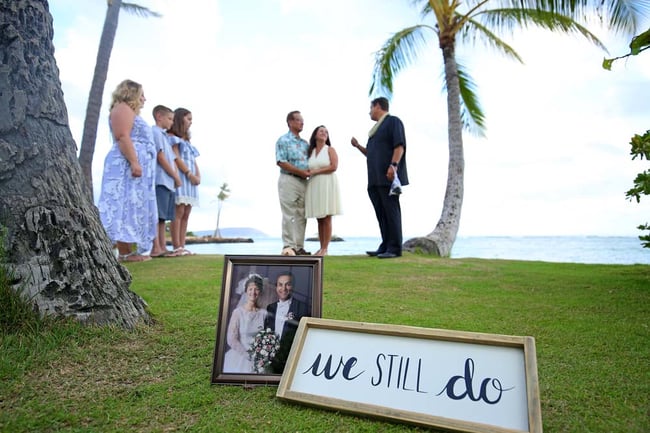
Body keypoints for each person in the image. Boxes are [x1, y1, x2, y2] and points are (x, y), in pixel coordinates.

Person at [97, 79, 157, 263]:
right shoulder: (122, 108)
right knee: (123, 205)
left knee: (133, 206)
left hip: (135, 166)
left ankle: (128, 251)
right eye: (141, 95)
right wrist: (134, 162)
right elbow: (122, 135)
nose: (144, 99)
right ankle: (124, 253)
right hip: (125, 166)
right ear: (131, 93)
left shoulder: (130, 112)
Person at [351, 97, 409, 259]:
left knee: (391, 212)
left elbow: (399, 145)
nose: (369, 111)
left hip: (387, 177)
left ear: (378, 106)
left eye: (371, 108)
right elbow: (371, 154)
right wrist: (358, 147)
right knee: (381, 213)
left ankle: (395, 248)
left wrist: (394, 165)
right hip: (374, 179)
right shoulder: (375, 131)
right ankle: (385, 245)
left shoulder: (393, 122)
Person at [275, 111, 311, 255]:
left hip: (304, 182)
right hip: (288, 179)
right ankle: (289, 246)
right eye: (298, 120)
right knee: (289, 213)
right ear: (290, 122)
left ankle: (299, 246)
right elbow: (281, 161)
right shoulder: (283, 140)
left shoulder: (305, 144)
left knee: (302, 214)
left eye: (302, 120)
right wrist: (301, 172)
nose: (301, 123)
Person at [150, 105, 182, 258]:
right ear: (159, 116)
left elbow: (171, 159)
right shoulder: (155, 132)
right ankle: (156, 247)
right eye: (169, 119)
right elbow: (161, 158)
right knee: (157, 215)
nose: (171, 122)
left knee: (163, 217)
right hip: (161, 180)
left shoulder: (165, 137)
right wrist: (175, 176)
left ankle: (162, 246)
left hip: (168, 182)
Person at [304, 125, 342, 256]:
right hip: (314, 184)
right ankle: (321, 248)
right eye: (321, 131)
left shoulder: (330, 149)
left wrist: (315, 171)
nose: (324, 133)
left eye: (326, 132)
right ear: (315, 135)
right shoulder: (310, 151)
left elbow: (334, 166)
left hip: (327, 183)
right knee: (319, 218)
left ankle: (325, 248)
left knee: (327, 217)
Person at [264, 271, 310, 373]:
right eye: (280, 285)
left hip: (293, 357)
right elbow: (267, 331)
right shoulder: (270, 308)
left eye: (287, 284)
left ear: (293, 286)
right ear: (276, 287)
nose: (283, 289)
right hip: (272, 358)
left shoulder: (303, 307)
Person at [168, 108, 200, 256]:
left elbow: (193, 160)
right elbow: (176, 158)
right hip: (181, 176)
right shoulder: (173, 137)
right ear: (180, 119)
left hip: (191, 180)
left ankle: (182, 244)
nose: (191, 123)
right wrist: (188, 173)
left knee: (186, 211)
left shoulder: (187, 140)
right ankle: (176, 246)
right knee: (179, 210)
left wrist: (197, 175)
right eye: (188, 119)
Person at [223, 274, 268, 373]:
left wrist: (261, 353)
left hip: (258, 355)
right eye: (250, 289)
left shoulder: (264, 313)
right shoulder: (238, 312)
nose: (253, 292)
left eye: (256, 289)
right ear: (246, 290)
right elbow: (231, 339)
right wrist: (248, 355)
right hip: (240, 354)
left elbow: (266, 336)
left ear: (260, 292)